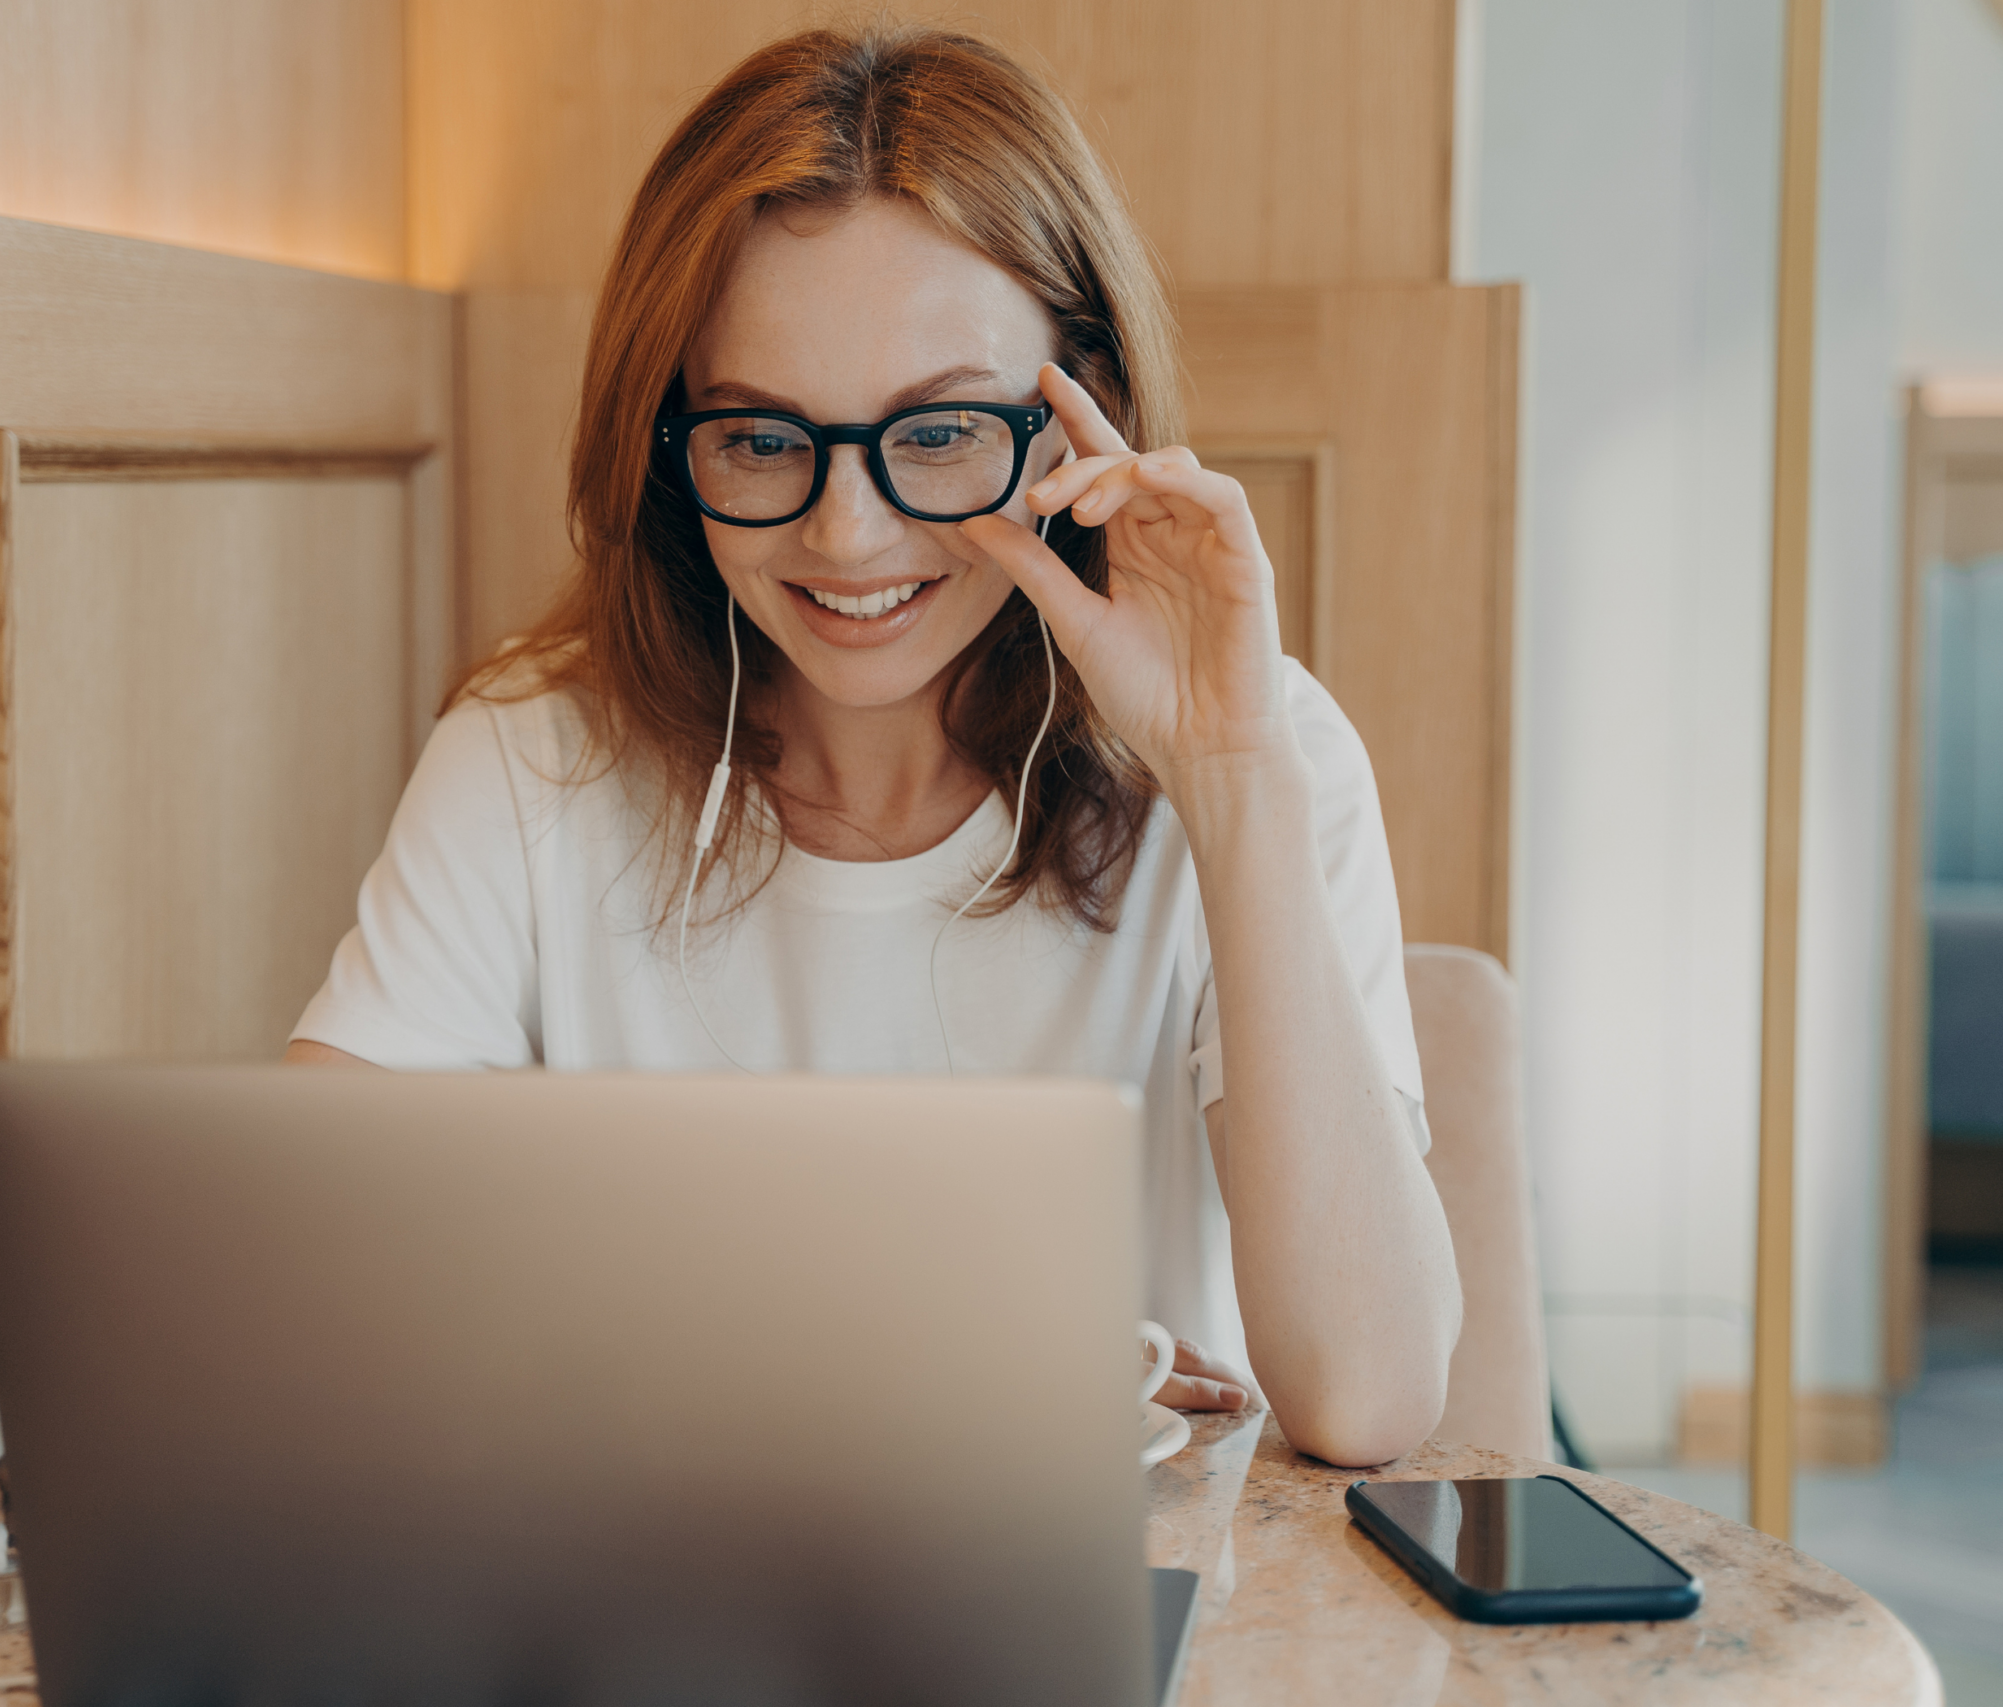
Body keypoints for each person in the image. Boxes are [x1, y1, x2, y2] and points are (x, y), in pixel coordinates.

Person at [288, 25, 1460, 1468]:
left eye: (942, 431)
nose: (850, 537)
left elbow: (1370, 1395)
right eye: (765, 440)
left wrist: (1230, 782)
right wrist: (961, 1373)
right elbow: (306, 1292)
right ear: (671, 444)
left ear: (1076, 414)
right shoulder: (532, 761)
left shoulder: (1263, 756)